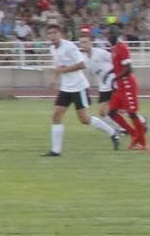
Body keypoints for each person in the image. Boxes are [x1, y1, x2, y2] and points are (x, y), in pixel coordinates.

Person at [43, 24, 119, 156]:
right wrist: (54, 79)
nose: (52, 36)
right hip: (65, 87)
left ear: (60, 34)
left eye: (55, 32)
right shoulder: (52, 49)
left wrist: (63, 70)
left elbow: (82, 64)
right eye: (50, 33)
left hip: (79, 87)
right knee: (56, 116)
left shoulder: (69, 47)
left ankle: (113, 133)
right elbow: (58, 66)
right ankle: (56, 150)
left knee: (84, 119)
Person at [106, 27, 147, 150]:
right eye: (108, 35)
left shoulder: (122, 47)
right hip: (120, 86)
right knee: (112, 113)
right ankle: (134, 134)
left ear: (117, 35)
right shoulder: (114, 48)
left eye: (111, 35)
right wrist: (109, 72)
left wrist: (114, 78)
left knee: (132, 113)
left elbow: (128, 69)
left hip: (127, 84)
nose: (108, 37)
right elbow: (119, 66)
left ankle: (143, 143)